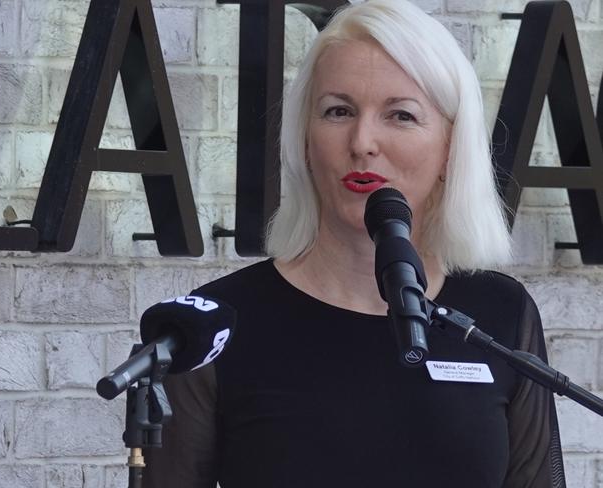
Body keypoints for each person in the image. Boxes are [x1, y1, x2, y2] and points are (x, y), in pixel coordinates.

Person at [142, 0, 566, 486]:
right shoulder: (211, 327)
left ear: (452, 146)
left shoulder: (499, 313)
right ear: (305, 139)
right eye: (338, 111)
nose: (363, 141)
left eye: (401, 115)